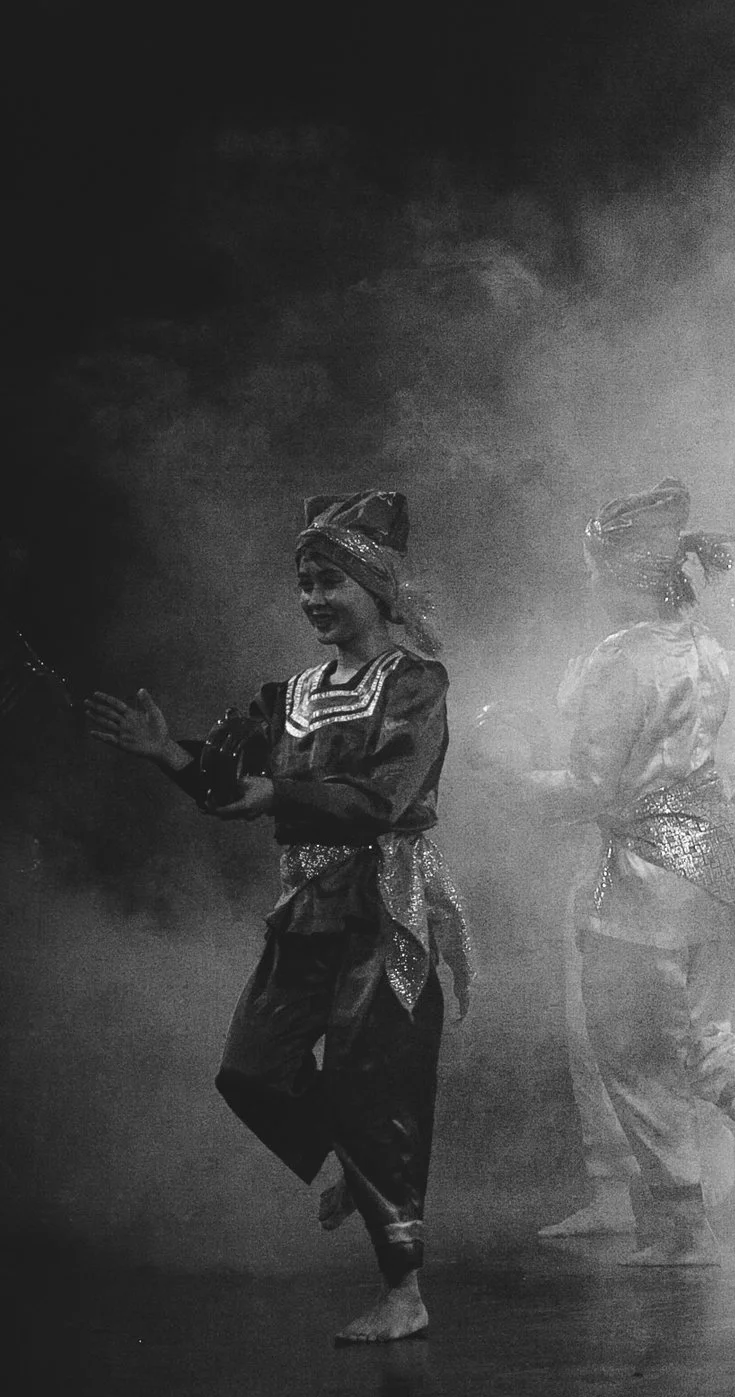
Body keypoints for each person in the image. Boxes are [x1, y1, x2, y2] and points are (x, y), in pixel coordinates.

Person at [85, 490, 472, 1343]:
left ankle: (404, 1290)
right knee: (251, 1068)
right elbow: (227, 777)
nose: (313, 599)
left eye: (328, 581)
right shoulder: (286, 696)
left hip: (381, 910)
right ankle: (341, 1163)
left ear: (374, 585)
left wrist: (274, 792)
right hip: (304, 913)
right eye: (303, 583)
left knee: (378, 1093)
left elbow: (384, 796)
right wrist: (170, 754)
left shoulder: (413, 685)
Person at [495, 480, 735, 1265]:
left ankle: (684, 1227)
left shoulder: (621, 659)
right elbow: (725, 771)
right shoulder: (717, 657)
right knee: (694, 1034)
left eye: (595, 570)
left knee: (630, 1049)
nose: (589, 585)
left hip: (648, 872)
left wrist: (515, 783)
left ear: (624, 575)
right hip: (717, 858)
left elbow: (591, 786)